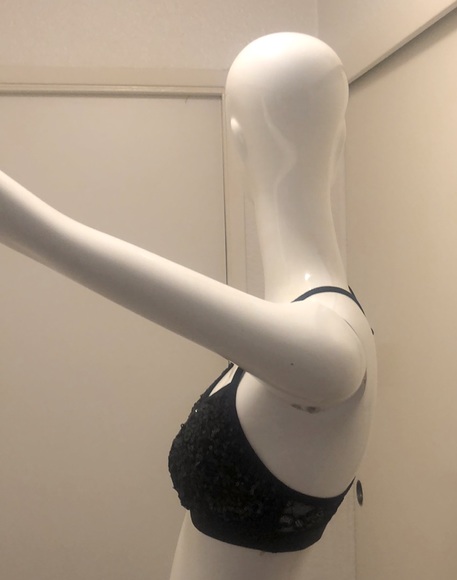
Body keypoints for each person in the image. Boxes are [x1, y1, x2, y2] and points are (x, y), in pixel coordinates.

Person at [0, 32, 376, 580]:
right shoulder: (318, 332)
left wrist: (36, 229)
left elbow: (330, 361)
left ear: (238, 141)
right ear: (339, 144)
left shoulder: (328, 350)